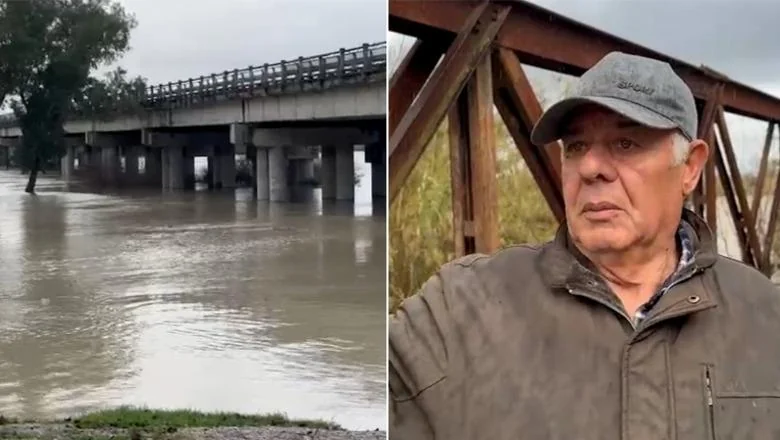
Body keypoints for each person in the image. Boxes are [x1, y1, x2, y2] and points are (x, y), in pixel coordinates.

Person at [388, 51, 780, 440]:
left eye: (625, 143)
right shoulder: (460, 308)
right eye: (575, 146)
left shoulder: (766, 316)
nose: (590, 168)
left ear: (691, 167)